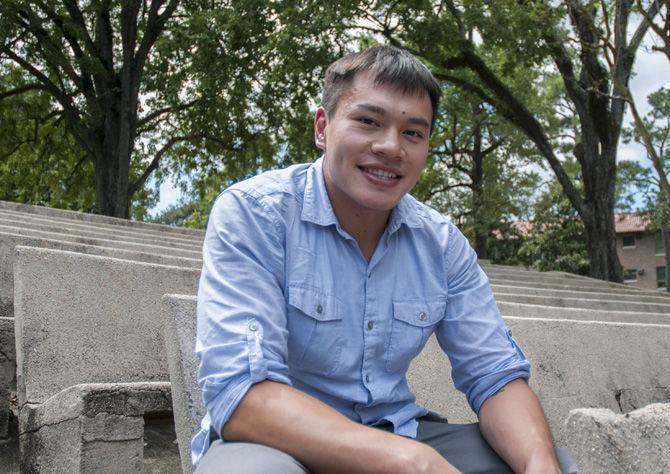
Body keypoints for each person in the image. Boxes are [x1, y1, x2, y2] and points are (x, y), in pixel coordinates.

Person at [194, 46, 576, 473]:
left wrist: (539, 465)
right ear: (323, 127)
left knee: (544, 461)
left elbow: (495, 375)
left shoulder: (442, 245)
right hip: (281, 444)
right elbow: (243, 396)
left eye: (413, 133)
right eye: (368, 121)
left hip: (397, 429)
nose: (391, 147)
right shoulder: (254, 214)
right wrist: (413, 461)